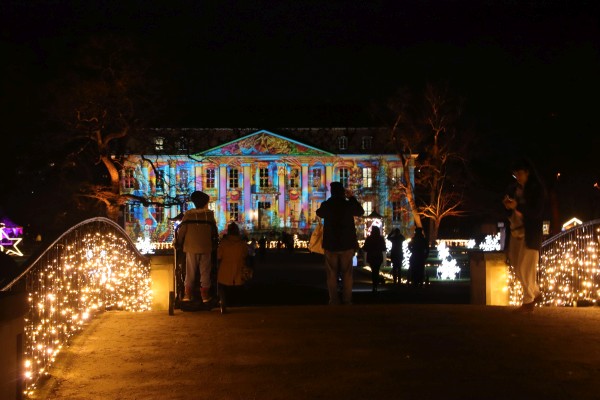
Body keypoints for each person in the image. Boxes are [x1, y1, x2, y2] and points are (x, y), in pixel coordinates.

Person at [503, 158, 546, 313]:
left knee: (524, 267)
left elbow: (536, 212)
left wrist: (518, 206)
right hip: (515, 231)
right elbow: (509, 211)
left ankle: (528, 301)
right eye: (516, 174)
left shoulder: (536, 189)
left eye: (520, 173)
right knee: (516, 265)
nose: (518, 176)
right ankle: (535, 293)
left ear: (528, 173)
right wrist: (508, 206)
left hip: (530, 233)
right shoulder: (514, 188)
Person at [316, 181, 365, 305]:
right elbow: (360, 211)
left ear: (332, 192)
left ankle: (333, 299)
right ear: (343, 192)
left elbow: (319, 213)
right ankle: (347, 299)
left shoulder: (328, 204)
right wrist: (352, 198)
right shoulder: (347, 204)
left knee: (331, 274)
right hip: (347, 244)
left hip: (331, 244)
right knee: (347, 274)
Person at [175, 191, 218, 303]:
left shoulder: (188, 215)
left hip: (191, 246)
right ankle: (205, 295)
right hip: (205, 246)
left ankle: (187, 295)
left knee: (190, 271)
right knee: (205, 271)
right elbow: (214, 231)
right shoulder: (209, 215)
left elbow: (182, 231)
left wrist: (178, 242)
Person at [216, 222, 250, 314]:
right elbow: (246, 254)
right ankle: (240, 302)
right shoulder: (242, 243)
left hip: (225, 270)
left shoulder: (224, 243)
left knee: (221, 285)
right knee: (241, 284)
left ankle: (223, 302)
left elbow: (218, 256)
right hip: (239, 269)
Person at [362, 225, 387, 293]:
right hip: (378, 256)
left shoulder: (369, 238)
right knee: (376, 270)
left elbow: (365, 248)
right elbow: (384, 248)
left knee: (374, 270)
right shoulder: (380, 238)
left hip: (372, 256)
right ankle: (376, 283)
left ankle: (374, 284)